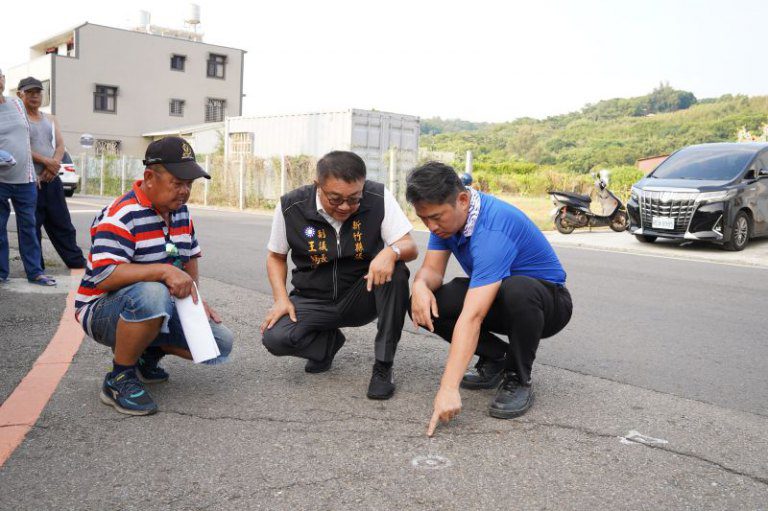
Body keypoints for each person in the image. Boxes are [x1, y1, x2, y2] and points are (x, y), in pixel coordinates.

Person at [406, 162, 573, 436]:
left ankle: (518, 377)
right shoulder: (446, 223)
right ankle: (498, 358)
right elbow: (433, 270)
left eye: (436, 217)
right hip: (500, 294)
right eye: (424, 219)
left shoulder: (493, 227)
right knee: (423, 303)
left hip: (547, 304)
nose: (431, 226)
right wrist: (420, 285)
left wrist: (448, 388)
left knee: (518, 289)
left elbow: (473, 316)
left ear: (462, 200)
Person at [74, 136, 233, 416]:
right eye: (177, 182)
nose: (184, 191)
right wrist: (163, 271)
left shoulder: (181, 213)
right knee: (152, 292)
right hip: (101, 311)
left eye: (189, 184)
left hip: (153, 306)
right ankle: (119, 377)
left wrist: (196, 300)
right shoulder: (120, 216)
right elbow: (104, 276)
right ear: (149, 177)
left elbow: (189, 258)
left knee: (218, 345)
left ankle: (146, 352)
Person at [261, 150, 417, 399]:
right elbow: (276, 256)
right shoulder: (291, 206)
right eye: (335, 199)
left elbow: (409, 245)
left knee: (397, 271)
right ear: (317, 186)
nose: (345, 206)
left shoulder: (378, 197)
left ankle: (383, 366)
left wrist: (391, 252)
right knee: (275, 338)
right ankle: (326, 346)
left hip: (361, 295)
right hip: (313, 299)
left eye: (354, 198)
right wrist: (281, 299)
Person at [17, 76, 86, 270]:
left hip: (51, 179)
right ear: (20, 94)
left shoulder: (50, 118)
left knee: (62, 223)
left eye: (38, 92)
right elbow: (19, 147)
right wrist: (48, 162)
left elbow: (60, 145)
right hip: (29, 180)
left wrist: (53, 165)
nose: (34, 96)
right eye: (29, 92)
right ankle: (35, 268)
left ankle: (76, 262)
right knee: (32, 227)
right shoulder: (18, 119)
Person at [0, 69, 52, 285]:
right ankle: (2, 273)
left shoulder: (17, 104)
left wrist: (34, 169)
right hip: (1, 181)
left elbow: (25, 139)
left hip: (26, 179)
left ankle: (35, 272)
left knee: (29, 229)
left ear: (3, 80)